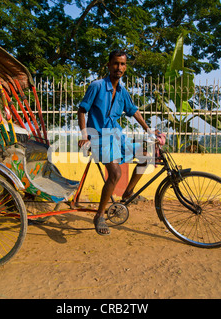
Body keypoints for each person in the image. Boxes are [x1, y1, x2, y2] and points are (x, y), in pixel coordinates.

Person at [77, 49, 158, 236]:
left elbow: (134, 111)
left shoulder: (122, 92)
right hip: (98, 137)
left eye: (122, 64)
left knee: (147, 157)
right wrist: (84, 135)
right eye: (115, 63)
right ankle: (99, 215)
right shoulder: (97, 86)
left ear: (125, 67)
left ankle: (127, 193)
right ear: (108, 65)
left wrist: (148, 129)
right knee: (115, 173)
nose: (118, 67)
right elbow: (82, 111)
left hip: (117, 136)